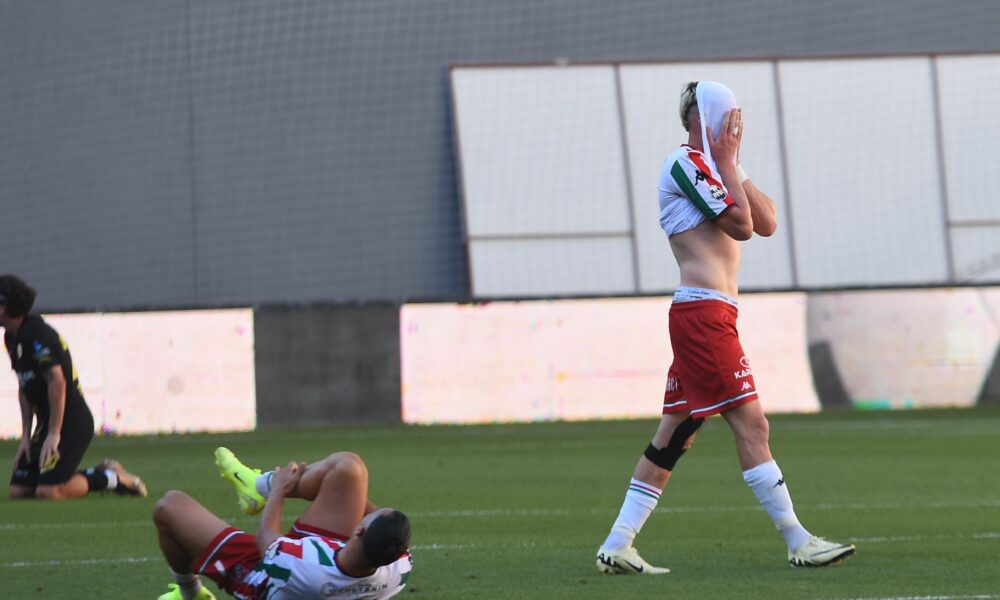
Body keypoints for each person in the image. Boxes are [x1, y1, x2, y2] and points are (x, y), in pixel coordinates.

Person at [594, 82, 855, 574]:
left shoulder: (720, 166)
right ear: (703, 116)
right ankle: (798, 540)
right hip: (703, 316)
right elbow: (741, 227)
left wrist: (734, 164)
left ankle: (618, 543)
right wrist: (728, 165)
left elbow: (768, 221)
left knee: (674, 435)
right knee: (753, 425)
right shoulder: (685, 163)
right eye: (729, 114)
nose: (736, 123)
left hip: (711, 315)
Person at [154, 447, 413, 599]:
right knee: (349, 469)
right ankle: (256, 486)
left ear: (359, 530)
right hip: (319, 559)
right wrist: (349, 491)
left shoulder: (302, 565)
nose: (369, 510)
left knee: (168, 505)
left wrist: (279, 489)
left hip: (267, 577)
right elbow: (379, 530)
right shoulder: (398, 569)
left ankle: (190, 593)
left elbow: (266, 538)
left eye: (371, 513)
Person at [1, 274, 146, 500]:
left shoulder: (36, 334)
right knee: (19, 492)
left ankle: (113, 478)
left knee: (49, 491)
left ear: (3, 306)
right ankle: (98, 472)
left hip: (71, 424)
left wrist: (54, 434)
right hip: (47, 425)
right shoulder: (11, 338)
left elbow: (57, 381)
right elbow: (24, 386)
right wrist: (26, 437)